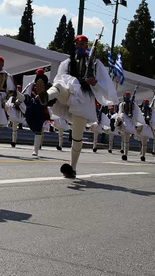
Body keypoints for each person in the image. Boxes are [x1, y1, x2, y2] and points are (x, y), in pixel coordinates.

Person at [44, 33, 117, 179]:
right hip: (68, 94)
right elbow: (60, 78)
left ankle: (73, 168)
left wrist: (94, 82)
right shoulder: (67, 63)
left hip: (83, 101)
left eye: (82, 44)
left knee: (77, 137)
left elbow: (105, 84)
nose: (79, 46)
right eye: (77, 44)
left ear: (87, 46)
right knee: (58, 85)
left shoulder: (95, 64)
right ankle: (45, 97)